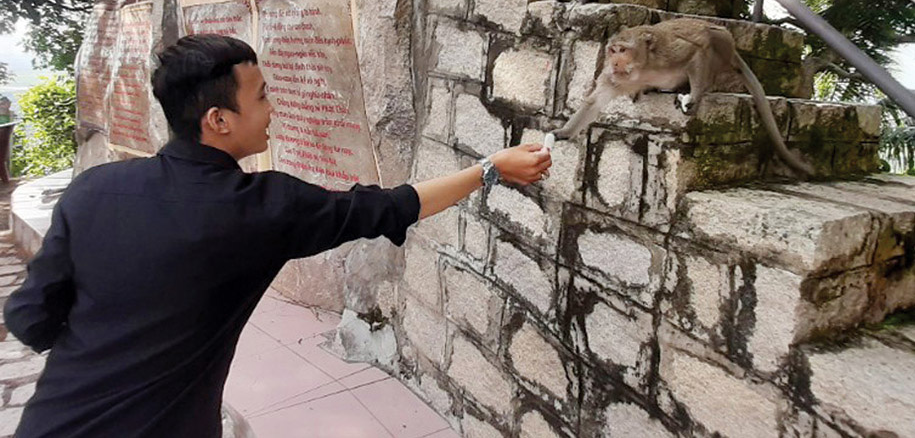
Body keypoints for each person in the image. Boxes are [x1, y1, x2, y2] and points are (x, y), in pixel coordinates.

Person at [3, 34, 551, 437]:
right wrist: (490, 169)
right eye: (263, 96)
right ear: (218, 119)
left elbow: (29, 318)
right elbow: (391, 206)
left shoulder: (94, 190)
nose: (273, 110)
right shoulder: (259, 209)